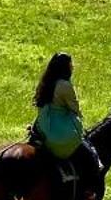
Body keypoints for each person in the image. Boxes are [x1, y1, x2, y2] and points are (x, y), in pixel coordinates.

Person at [31, 53, 100, 186]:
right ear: (65, 67)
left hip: (42, 122)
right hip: (59, 126)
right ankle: (89, 193)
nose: (72, 67)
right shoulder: (65, 85)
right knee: (89, 155)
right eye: (71, 65)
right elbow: (74, 108)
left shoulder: (46, 81)